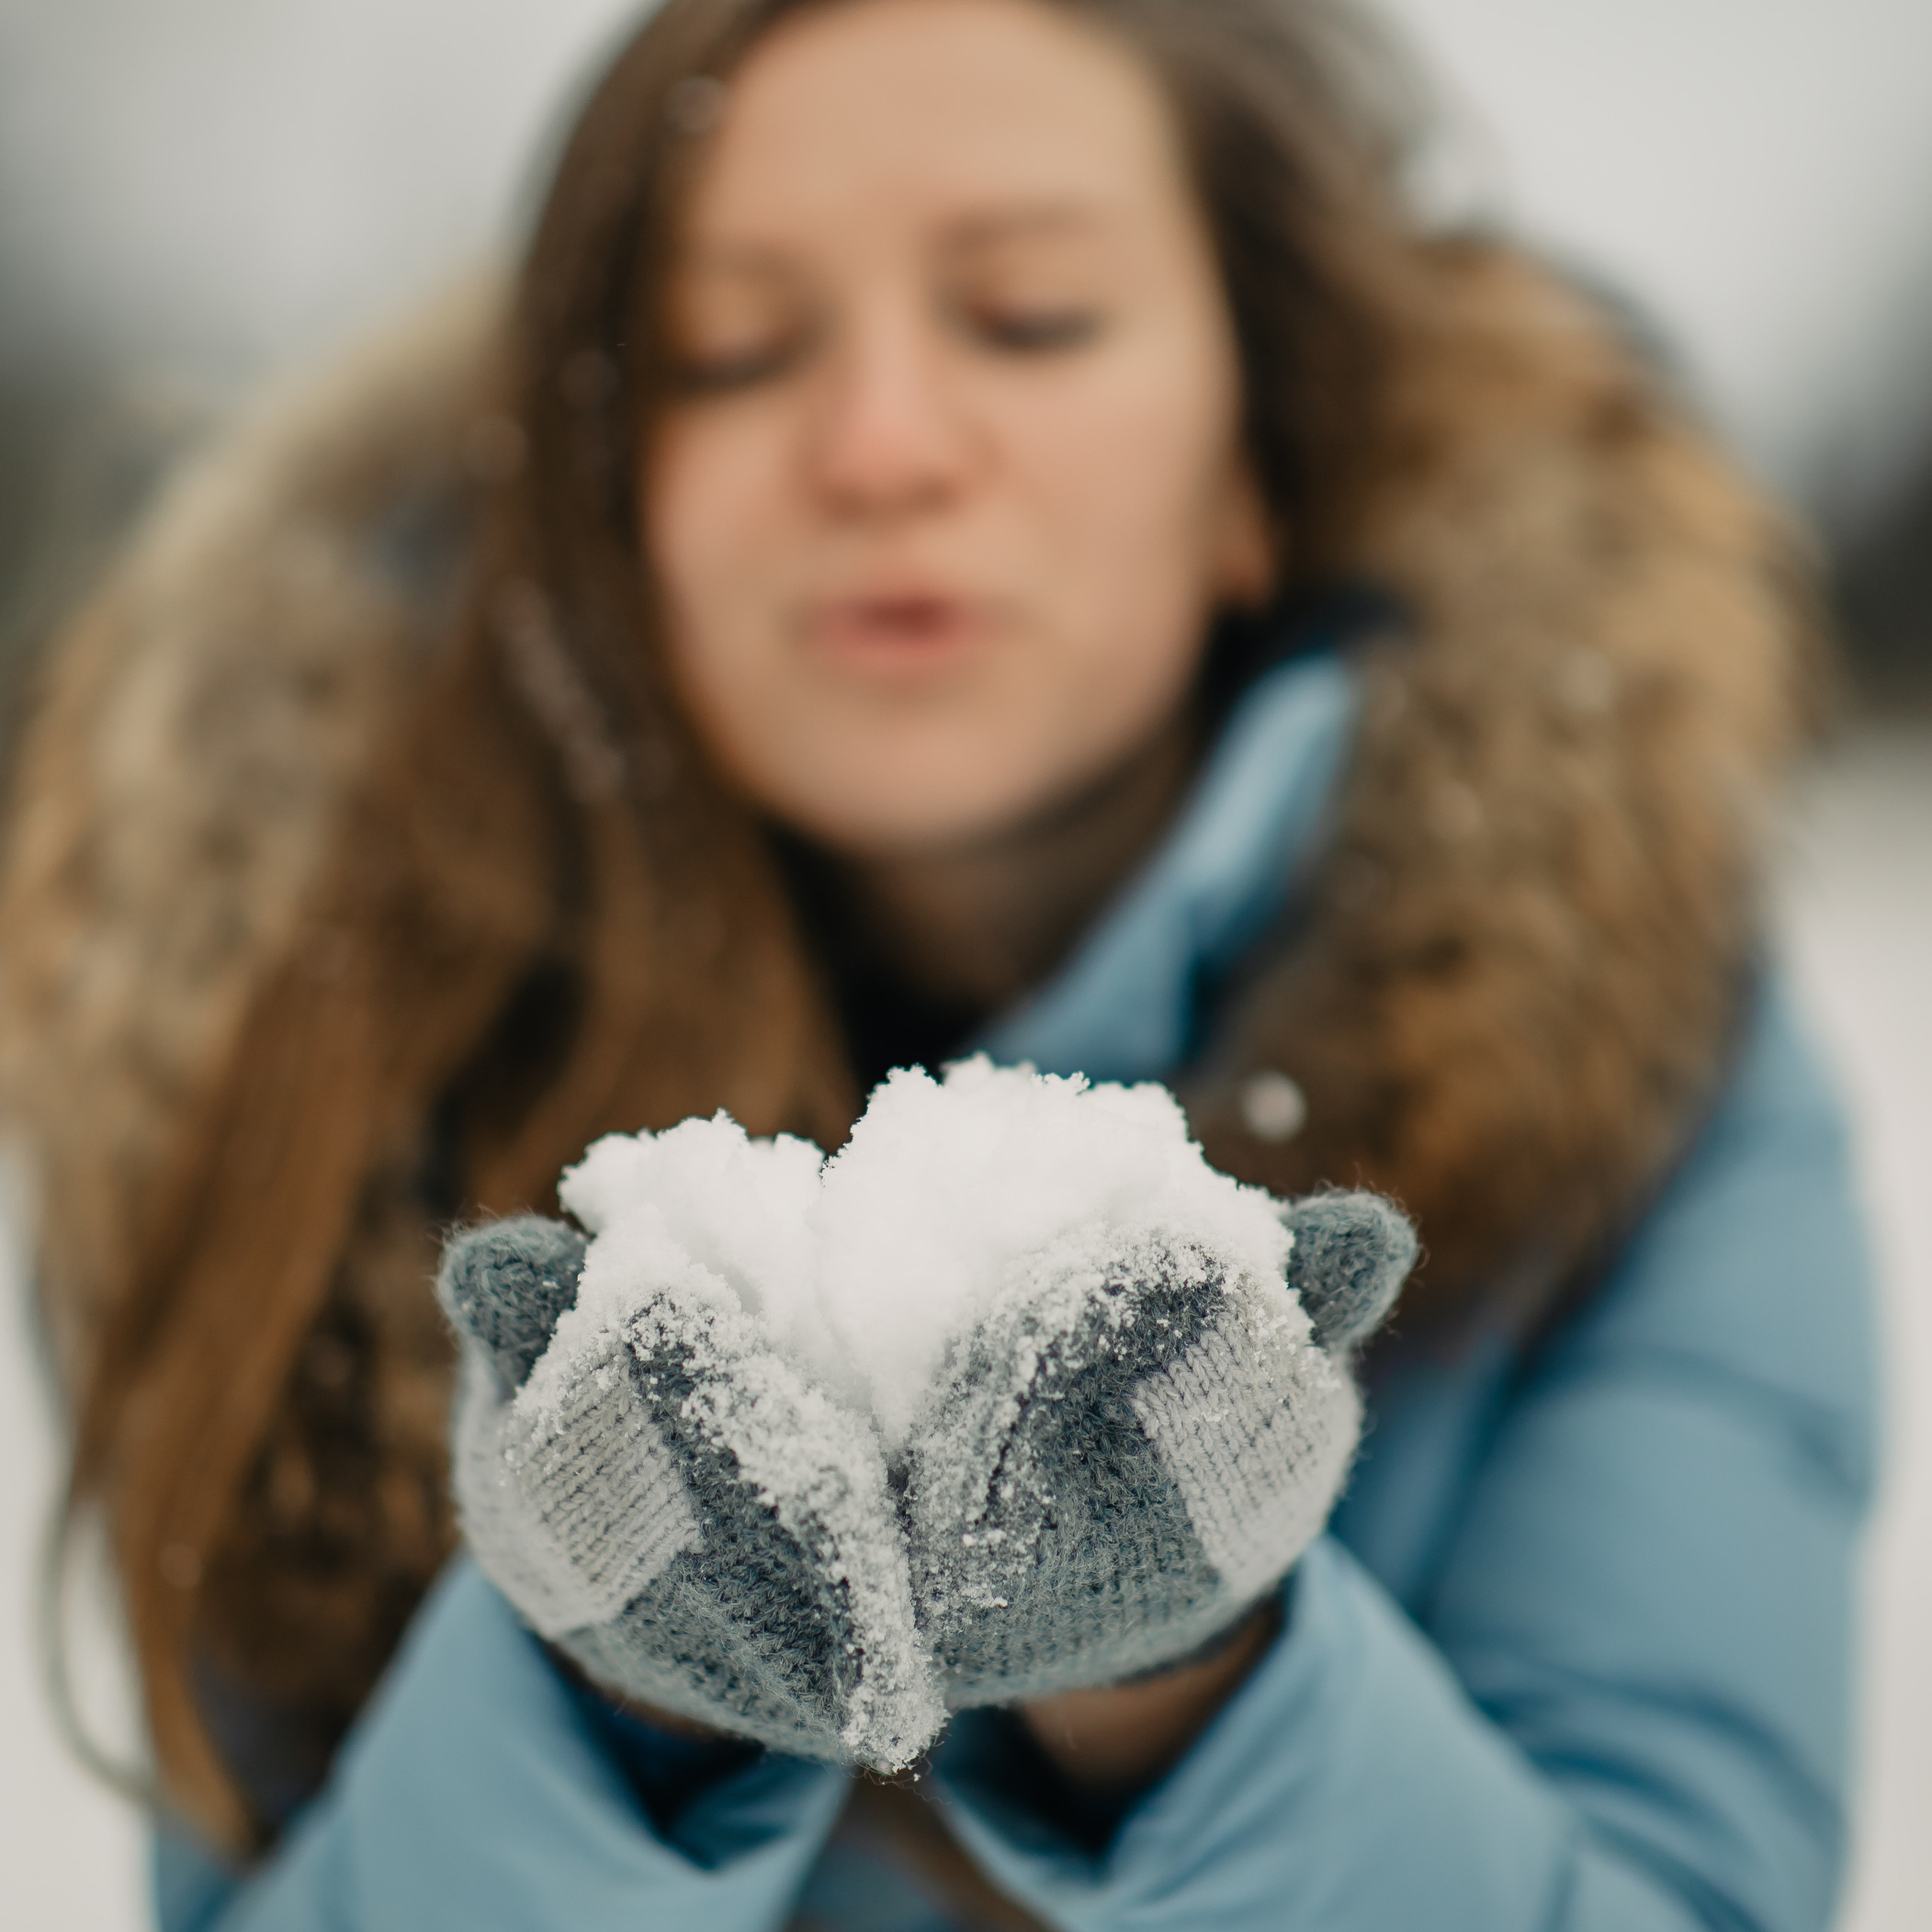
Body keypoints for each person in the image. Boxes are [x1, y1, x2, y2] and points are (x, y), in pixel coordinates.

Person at [0, 0, 1875, 1927]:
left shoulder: (1637, 1056)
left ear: (1254, 466)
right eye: (733, 353)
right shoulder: (287, 1053)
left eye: (1027, 318)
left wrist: (1188, 1682)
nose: (879, 446)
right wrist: (609, 1693)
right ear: (606, 507)